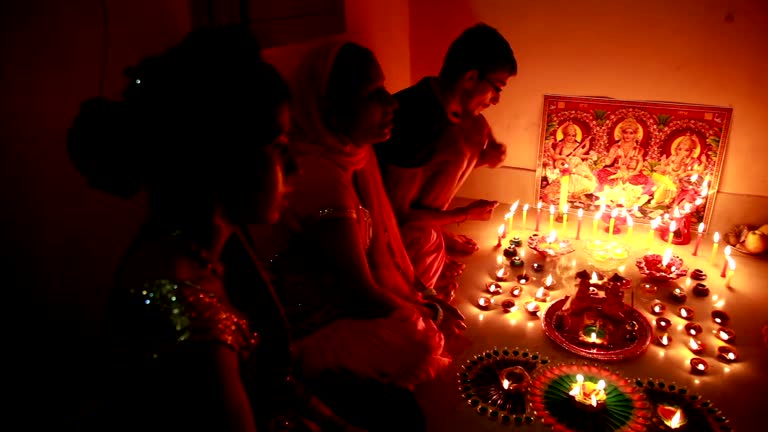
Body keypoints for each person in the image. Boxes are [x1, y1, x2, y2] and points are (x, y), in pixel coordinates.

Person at [68, 27, 362, 432]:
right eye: (279, 147)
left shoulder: (210, 243)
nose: (294, 167)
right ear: (218, 157)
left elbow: (271, 376)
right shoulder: (190, 323)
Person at [257, 40, 464, 432]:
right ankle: (327, 382)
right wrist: (427, 313)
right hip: (309, 327)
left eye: (385, 89)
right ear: (330, 110)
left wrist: (423, 296)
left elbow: (384, 244)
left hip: (339, 304)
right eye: (373, 95)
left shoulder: (354, 154)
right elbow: (359, 292)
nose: (393, 103)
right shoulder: (320, 175)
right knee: (424, 341)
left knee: (430, 280)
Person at [375, 23, 517, 300]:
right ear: (471, 77)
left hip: (425, 234)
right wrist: (464, 214)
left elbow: (434, 171)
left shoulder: (458, 114)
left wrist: (482, 159)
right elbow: (398, 216)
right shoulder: (417, 122)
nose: (497, 100)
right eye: (496, 88)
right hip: (395, 245)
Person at [594, 117, 654, 196]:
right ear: (622, 133)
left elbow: (639, 164)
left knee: (644, 182)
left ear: (635, 134)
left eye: (631, 133)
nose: (628, 135)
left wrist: (633, 173)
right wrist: (600, 159)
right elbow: (608, 161)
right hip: (615, 171)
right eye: (626, 132)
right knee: (599, 176)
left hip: (631, 173)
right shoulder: (615, 147)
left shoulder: (638, 149)